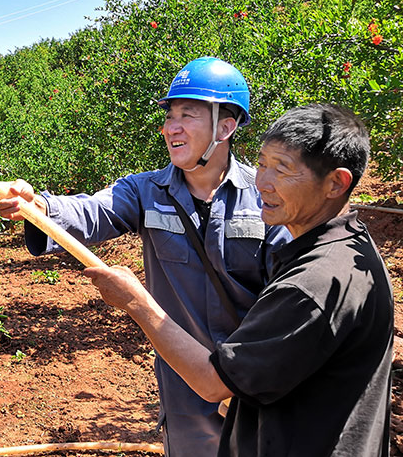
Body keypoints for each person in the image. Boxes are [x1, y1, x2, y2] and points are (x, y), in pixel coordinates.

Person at [0, 57, 291, 456]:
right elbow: (91, 212)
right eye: (169, 116)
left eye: (187, 115)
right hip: (186, 391)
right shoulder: (145, 191)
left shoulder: (267, 198)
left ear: (226, 127)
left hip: (256, 389)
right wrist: (36, 204)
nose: (170, 127)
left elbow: (286, 299)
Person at [86, 104, 393, 456]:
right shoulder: (352, 247)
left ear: (335, 183)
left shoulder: (312, 286)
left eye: (283, 169)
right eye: (262, 163)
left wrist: (136, 302)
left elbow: (212, 382)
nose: (263, 182)